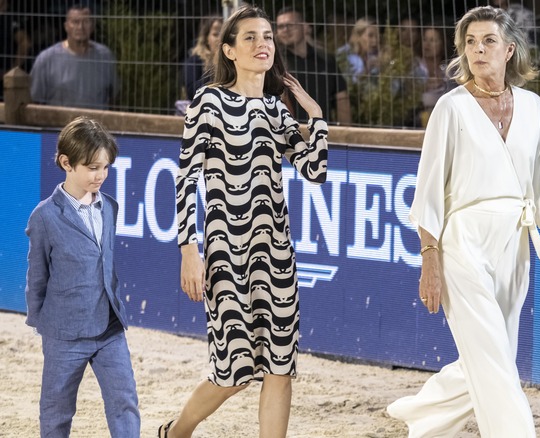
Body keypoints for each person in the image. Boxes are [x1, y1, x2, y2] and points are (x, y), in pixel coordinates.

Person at [387, 6, 540, 437]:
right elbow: (429, 190)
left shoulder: (532, 107)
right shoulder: (450, 108)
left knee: (493, 353)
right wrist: (430, 260)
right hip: (462, 242)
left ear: (509, 49)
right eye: (470, 42)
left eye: (488, 41)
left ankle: (423, 413)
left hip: (515, 242)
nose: (478, 49)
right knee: (493, 359)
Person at [159, 6, 327, 438]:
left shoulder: (277, 111)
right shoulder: (209, 101)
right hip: (225, 252)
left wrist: (316, 116)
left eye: (268, 36)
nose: (262, 44)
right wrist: (188, 249)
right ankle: (177, 431)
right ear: (229, 51)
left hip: (276, 255)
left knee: (279, 366)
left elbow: (314, 170)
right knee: (233, 371)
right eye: (250, 37)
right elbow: (186, 178)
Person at [25, 116, 140, 437]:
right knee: (57, 410)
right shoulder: (45, 216)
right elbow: (37, 277)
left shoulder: (110, 207)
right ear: (66, 163)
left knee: (124, 400)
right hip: (64, 333)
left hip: (109, 327)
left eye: (105, 167)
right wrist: (44, 324)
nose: (100, 175)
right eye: (92, 167)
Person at [30, 4, 118, 110]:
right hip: (59, 125)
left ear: (93, 26)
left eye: (86, 22)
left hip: (94, 125)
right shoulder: (46, 59)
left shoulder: (105, 56)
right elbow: (34, 101)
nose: (80, 27)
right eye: (75, 22)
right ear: (66, 26)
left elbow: (114, 97)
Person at [276, 7, 351, 124]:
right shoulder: (275, 63)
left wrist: (346, 133)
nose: (285, 30)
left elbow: (341, 98)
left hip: (324, 132)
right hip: (291, 134)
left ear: (304, 26)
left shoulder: (326, 59)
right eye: (281, 26)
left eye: (290, 25)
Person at [183, 16, 222, 100]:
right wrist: (214, 67)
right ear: (206, 38)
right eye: (215, 34)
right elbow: (191, 93)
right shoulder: (195, 60)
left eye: (223, 34)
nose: (220, 39)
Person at [336, 17, 381, 83]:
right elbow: (348, 84)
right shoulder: (343, 54)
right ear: (357, 35)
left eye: (377, 36)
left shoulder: (374, 56)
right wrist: (366, 70)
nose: (375, 41)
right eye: (370, 36)